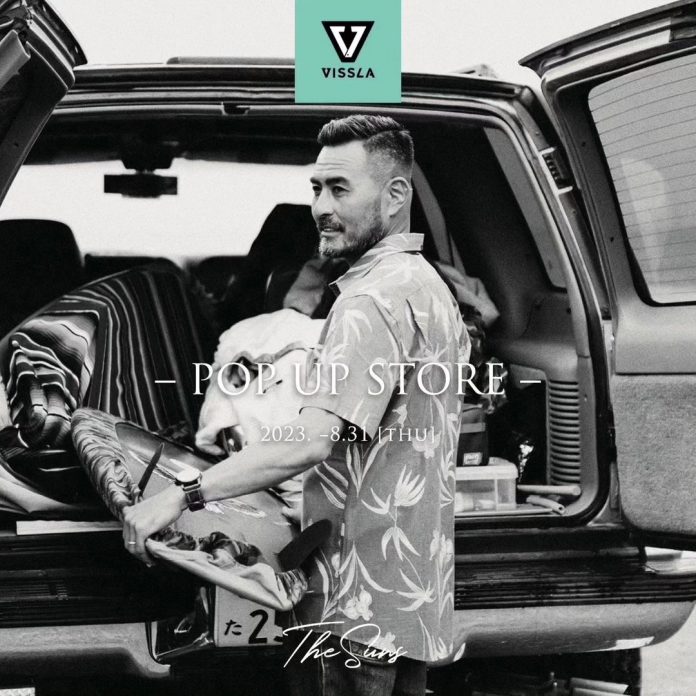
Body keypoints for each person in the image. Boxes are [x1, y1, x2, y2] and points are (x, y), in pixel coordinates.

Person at [122, 114, 470, 696]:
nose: (321, 207)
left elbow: (309, 441)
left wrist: (179, 496)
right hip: (410, 593)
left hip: (350, 604)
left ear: (395, 195)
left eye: (340, 189)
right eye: (316, 188)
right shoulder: (427, 286)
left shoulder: (368, 302)